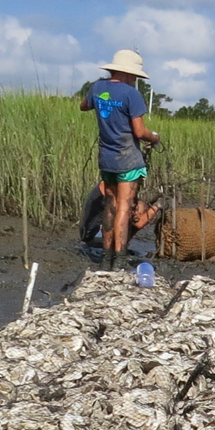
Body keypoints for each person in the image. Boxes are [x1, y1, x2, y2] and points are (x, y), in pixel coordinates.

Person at [80, 49, 161, 270]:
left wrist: (103, 106)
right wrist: (154, 137)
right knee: (124, 207)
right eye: (134, 76)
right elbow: (139, 131)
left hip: (106, 158)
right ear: (128, 73)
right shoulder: (131, 95)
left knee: (110, 206)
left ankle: (106, 258)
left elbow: (84, 106)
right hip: (128, 159)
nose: (135, 79)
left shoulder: (97, 87)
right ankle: (120, 258)